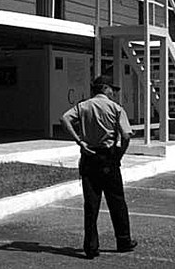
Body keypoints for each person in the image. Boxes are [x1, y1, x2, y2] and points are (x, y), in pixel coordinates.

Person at [61, 75, 137, 259]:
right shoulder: (116, 108)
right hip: (108, 158)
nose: (113, 92)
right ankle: (123, 240)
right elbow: (126, 136)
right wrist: (119, 153)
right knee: (117, 200)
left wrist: (80, 141)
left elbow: (64, 118)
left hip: (89, 157)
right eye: (112, 89)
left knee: (91, 204)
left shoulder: (83, 106)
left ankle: (91, 246)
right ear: (105, 88)